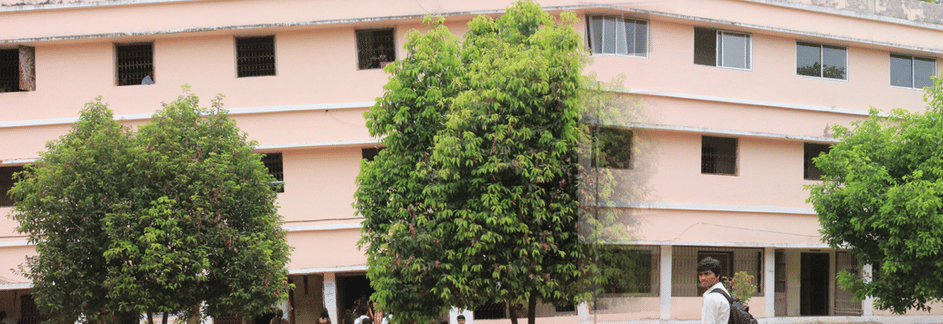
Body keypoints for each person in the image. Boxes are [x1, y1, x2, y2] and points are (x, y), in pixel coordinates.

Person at [697, 257, 730, 324]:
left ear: (717, 275)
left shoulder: (711, 298)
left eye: (707, 274)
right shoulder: (724, 292)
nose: (703, 278)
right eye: (700, 275)